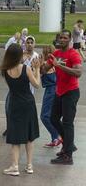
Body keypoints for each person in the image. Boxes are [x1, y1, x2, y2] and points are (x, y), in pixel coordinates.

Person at [42, 30, 82, 165]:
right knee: (53, 118)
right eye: (61, 38)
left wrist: (60, 66)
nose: (62, 40)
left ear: (70, 39)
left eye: (65, 38)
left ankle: (68, 156)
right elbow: (46, 68)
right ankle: (69, 144)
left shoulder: (74, 54)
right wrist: (42, 65)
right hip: (59, 92)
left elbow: (78, 72)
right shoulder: (56, 54)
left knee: (67, 122)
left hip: (71, 92)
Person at [0, 43, 40, 176]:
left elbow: (11, 88)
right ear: (19, 55)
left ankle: (15, 166)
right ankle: (29, 165)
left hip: (14, 104)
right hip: (28, 103)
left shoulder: (5, 70)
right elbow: (37, 84)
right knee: (29, 136)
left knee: (15, 136)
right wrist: (37, 69)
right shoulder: (26, 68)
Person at [40, 45, 62, 147]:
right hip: (56, 90)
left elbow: (41, 72)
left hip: (51, 90)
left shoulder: (45, 65)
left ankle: (57, 136)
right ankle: (55, 138)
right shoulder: (55, 64)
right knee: (52, 116)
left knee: (45, 116)